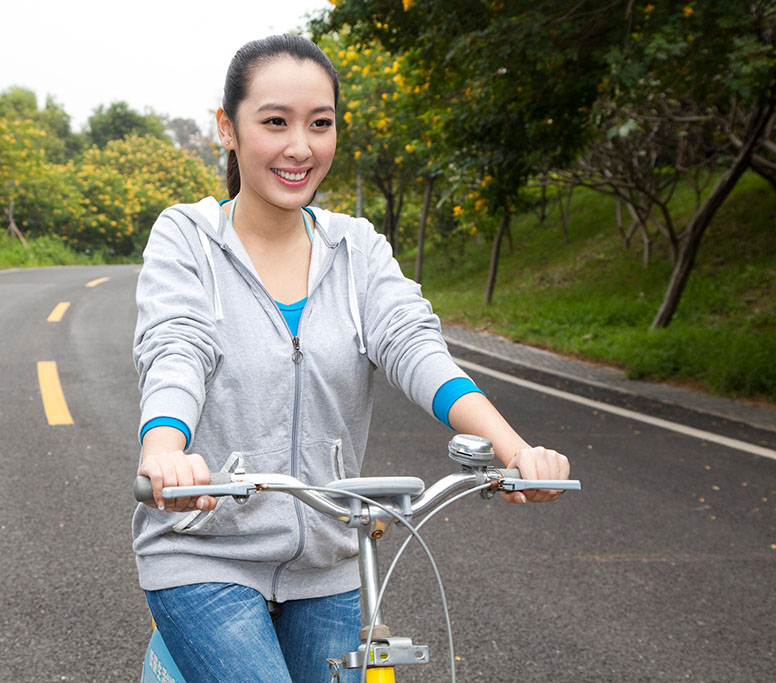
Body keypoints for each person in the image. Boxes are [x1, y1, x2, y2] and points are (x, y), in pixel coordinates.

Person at [132, 34, 570, 683]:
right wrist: (164, 451)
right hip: (204, 552)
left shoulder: (357, 249)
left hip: (330, 563)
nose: (300, 147)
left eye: (320, 123)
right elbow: (177, 346)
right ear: (227, 127)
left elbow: (414, 347)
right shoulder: (188, 238)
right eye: (275, 122)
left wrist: (515, 450)